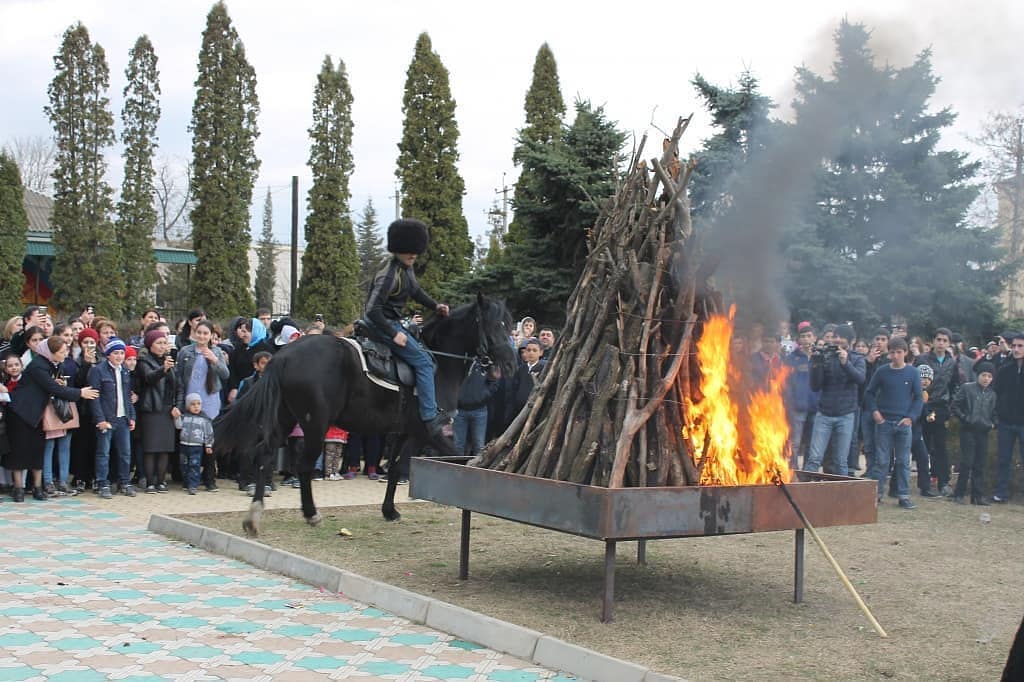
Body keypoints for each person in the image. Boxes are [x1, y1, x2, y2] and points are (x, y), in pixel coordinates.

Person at [364, 218, 451, 437]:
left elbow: (416, 292)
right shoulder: (389, 275)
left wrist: (435, 305)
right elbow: (372, 310)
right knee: (424, 363)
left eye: (415, 250)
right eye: (407, 251)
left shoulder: (406, 269)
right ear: (397, 249)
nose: (413, 254)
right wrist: (394, 334)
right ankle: (429, 417)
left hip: (393, 324)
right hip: (382, 325)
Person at [5, 336, 99, 502]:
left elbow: (54, 384)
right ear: (51, 352)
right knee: (19, 452)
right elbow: (53, 388)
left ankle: (38, 487)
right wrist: (80, 393)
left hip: (36, 415)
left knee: (37, 451)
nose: (65, 354)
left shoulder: (52, 364)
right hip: (20, 412)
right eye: (62, 352)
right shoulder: (38, 366)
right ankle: (18, 488)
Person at [863, 337, 923, 509]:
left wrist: (911, 417)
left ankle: (903, 495)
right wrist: (875, 412)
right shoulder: (882, 372)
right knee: (881, 460)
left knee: (903, 461)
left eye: (899, 352)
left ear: (905, 353)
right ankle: (877, 494)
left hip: (904, 424)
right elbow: (869, 393)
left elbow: (919, 397)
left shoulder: (912, 373)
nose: (895, 355)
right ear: (888, 354)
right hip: (884, 422)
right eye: (892, 352)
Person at [174, 320, 228, 491]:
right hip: (191, 399)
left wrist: (214, 360)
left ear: (211, 335)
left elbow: (225, 374)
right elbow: (180, 378)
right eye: (199, 332)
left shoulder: (217, 351)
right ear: (194, 333)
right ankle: (188, 479)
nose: (202, 336)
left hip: (210, 400)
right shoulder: (185, 352)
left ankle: (210, 479)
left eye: (206, 333)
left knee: (209, 441)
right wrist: (180, 403)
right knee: (190, 440)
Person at [806, 324, 865, 476]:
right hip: (824, 413)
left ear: (851, 341)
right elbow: (815, 386)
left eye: (841, 337)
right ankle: (804, 493)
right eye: (835, 336)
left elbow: (860, 379)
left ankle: (843, 496)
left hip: (846, 414)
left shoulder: (857, 358)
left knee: (840, 461)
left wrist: (846, 363)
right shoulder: (826, 356)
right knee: (814, 458)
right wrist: (815, 363)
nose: (837, 340)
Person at [88, 337, 137, 499]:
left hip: (122, 418)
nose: (119, 356)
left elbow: (126, 396)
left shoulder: (124, 371)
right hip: (107, 418)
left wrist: (131, 416)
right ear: (108, 354)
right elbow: (94, 397)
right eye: (116, 353)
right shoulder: (98, 370)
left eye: (122, 353)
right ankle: (103, 483)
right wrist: (100, 419)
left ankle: (125, 481)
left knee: (125, 453)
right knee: (103, 452)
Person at [915, 327, 960, 496]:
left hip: (941, 408)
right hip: (922, 406)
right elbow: (913, 381)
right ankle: (924, 485)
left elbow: (955, 385)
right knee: (922, 447)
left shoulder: (952, 362)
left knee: (941, 447)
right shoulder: (922, 359)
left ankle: (943, 483)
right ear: (933, 341)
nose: (941, 343)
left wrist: (951, 405)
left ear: (949, 343)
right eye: (938, 339)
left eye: (945, 340)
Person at [136, 329, 179, 494]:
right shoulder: (144, 361)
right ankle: (150, 482)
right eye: (158, 343)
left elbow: (177, 385)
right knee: (151, 448)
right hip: (151, 409)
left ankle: (161, 481)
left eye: (164, 343)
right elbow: (149, 378)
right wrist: (163, 369)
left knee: (164, 448)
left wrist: (177, 405)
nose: (162, 346)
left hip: (167, 409)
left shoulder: (169, 361)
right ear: (150, 345)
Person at [951, 362, 996, 505]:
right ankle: (959, 493)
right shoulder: (967, 388)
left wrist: (993, 423)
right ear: (978, 375)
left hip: (983, 431)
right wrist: (965, 418)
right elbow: (955, 405)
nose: (986, 379)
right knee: (967, 462)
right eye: (984, 375)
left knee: (980, 464)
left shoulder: (992, 394)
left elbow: (994, 412)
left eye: (989, 376)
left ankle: (977, 495)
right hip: (968, 430)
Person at [992, 333, 1024, 503]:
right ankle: (1001, 492)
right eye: (1014, 346)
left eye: (1020, 346)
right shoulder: (1005, 369)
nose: (1016, 349)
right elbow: (996, 392)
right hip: (1006, 422)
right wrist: (998, 415)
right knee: (1004, 459)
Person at [783, 321, 818, 470]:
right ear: (798, 340)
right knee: (795, 444)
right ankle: (793, 471)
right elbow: (786, 382)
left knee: (812, 444)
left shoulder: (820, 357)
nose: (806, 339)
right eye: (803, 336)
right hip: (798, 407)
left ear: (814, 338)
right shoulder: (792, 358)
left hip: (817, 408)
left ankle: (808, 474)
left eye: (809, 336)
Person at [454, 359, 501, 457]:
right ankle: (456, 469)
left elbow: (495, 381)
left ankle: (476, 469)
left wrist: (483, 396)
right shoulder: (462, 359)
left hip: (479, 410)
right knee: (457, 445)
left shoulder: (488, 362)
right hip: (460, 410)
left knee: (479, 446)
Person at [175, 393, 214, 495]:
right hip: (184, 445)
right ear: (188, 405)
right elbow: (179, 426)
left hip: (196, 446)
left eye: (198, 404)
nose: (196, 406)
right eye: (193, 404)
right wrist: (177, 417)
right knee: (183, 465)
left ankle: (193, 485)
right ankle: (186, 482)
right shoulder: (185, 416)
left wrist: (208, 445)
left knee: (194, 465)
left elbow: (209, 433)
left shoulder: (204, 419)